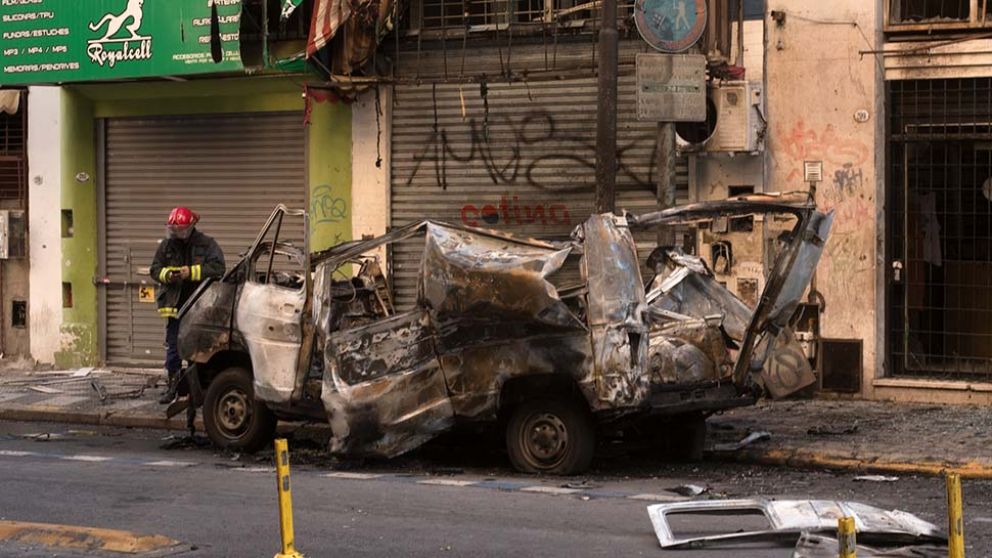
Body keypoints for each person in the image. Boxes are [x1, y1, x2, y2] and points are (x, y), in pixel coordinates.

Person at [150, 207, 225, 404]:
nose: (175, 233)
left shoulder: (206, 244)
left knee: (196, 349)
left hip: (198, 306)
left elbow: (218, 268)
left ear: (191, 227)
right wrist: (168, 274)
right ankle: (173, 388)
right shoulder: (167, 246)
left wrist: (190, 272)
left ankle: (195, 391)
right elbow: (155, 269)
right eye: (173, 230)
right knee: (173, 349)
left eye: (179, 229)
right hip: (175, 307)